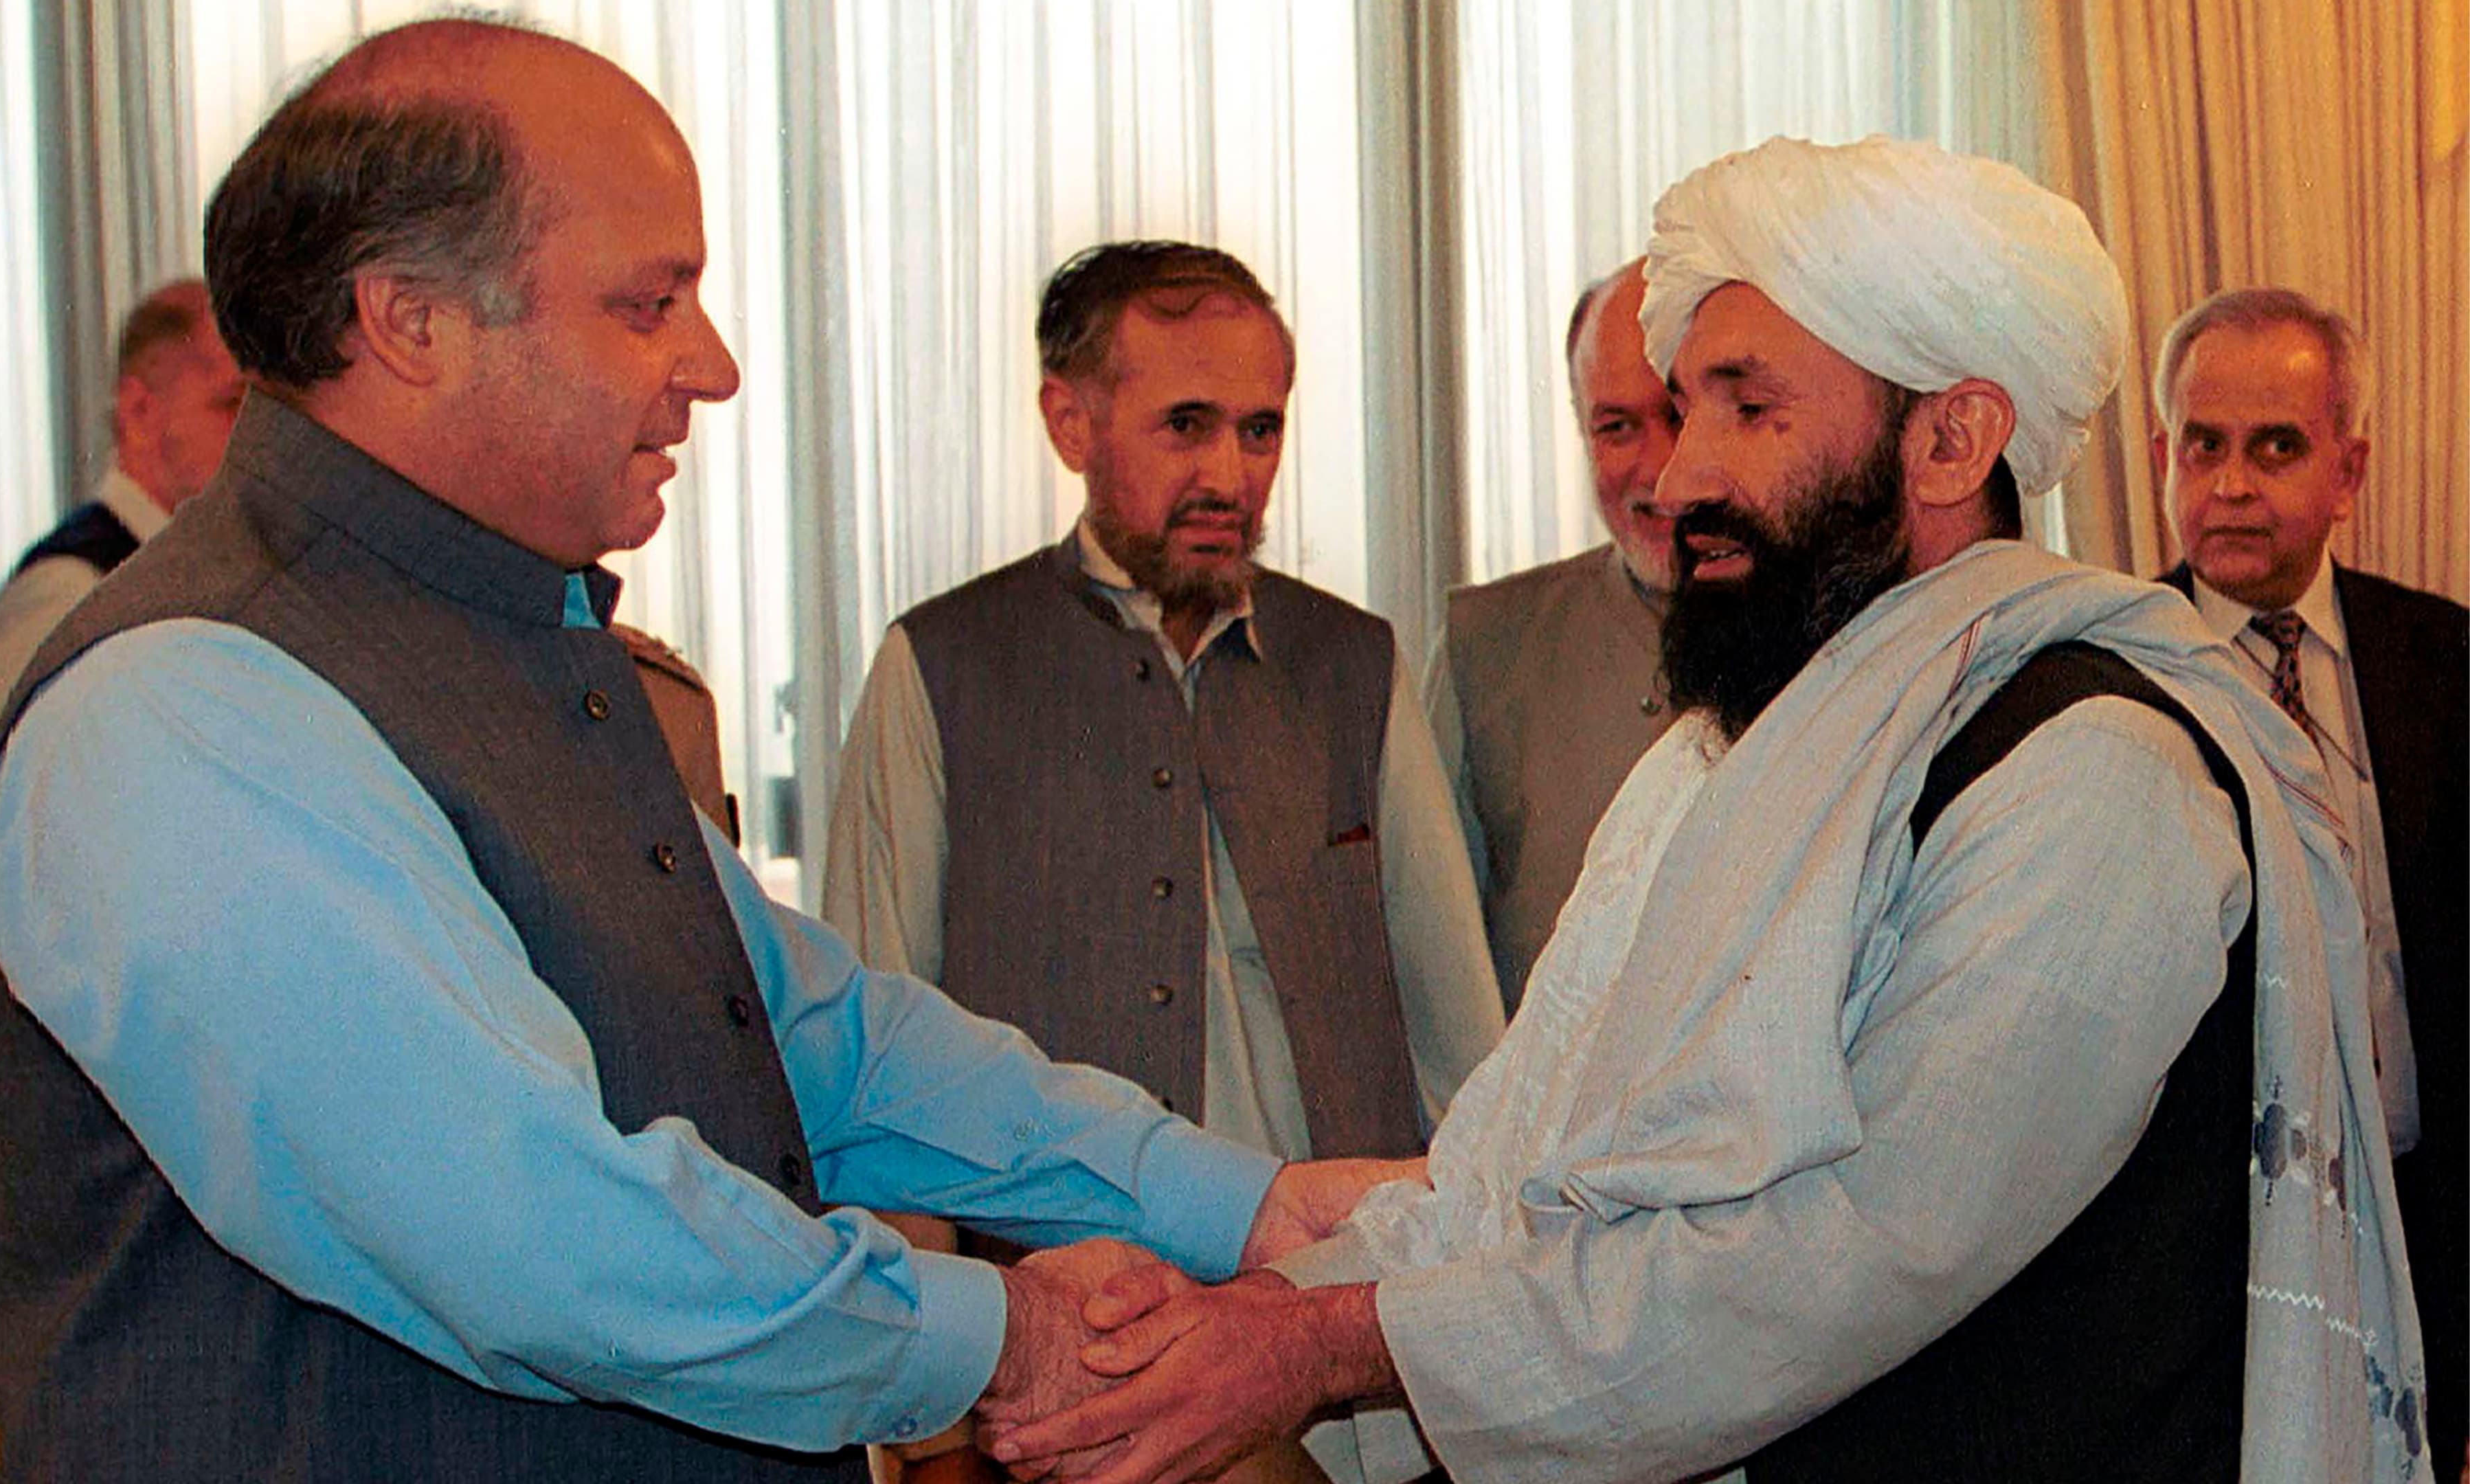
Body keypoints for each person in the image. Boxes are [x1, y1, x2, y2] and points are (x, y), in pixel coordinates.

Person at [0, 23, 1393, 1481]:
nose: (711, 366)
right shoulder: (186, 703)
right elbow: (535, 1240)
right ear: (409, 322)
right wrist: (996, 1334)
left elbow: (795, 1034)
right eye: (651, 303)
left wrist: (1243, 1207)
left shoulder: (518, 631)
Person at [984, 135, 2425, 1484]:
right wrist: (1210, 1323)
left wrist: (1311, 1349)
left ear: (1951, 439)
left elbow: (1845, 1257)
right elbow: (1528, 1161)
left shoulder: (2096, 773)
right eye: (1680, 414)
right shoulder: (1725, 759)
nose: (1678, 480)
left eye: (1746, 405)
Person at [824, 238, 1501, 1483]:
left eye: (1261, 430)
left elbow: (1461, 1049)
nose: (1230, 475)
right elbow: (868, 1073)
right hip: (1069, 1400)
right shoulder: (942, 668)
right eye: (1186, 425)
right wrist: (924, 1440)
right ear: (1068, 421)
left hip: (1360, 1385)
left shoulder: (1355, 665)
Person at [0, 277, 243, 1478]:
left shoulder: (195, 605)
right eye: (234, 403)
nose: (263, 440)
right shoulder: (76, 606)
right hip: (33, 1185)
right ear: (140, 411)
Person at [2153, 286, 2467, 1472]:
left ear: (2349, 470)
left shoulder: (2445, 663)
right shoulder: (2103, 684)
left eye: (2276, 446)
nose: (2232, 483)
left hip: (2429, 1218)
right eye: (2205, 444)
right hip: (2216, 1252)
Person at [1424, 259, 1681, 1010]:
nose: (1659, 469)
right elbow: (1431, 965)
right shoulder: (1486, 645)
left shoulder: (1853, 631)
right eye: (1616, 427)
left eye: (1681, 416)